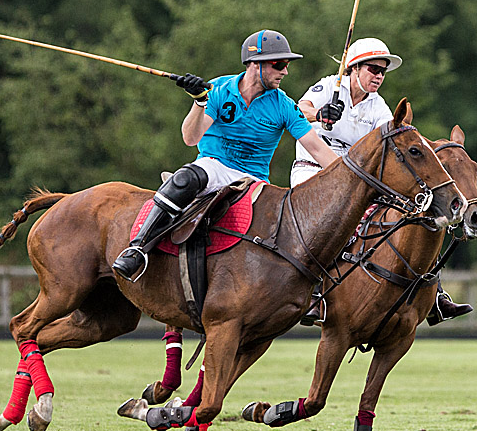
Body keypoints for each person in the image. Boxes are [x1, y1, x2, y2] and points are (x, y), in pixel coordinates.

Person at [112, 29, 340, 280]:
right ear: (255, 64)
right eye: (279, 64)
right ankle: (138, 248)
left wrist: (349, 178)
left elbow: (317, 148)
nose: (285, 71)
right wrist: (199, 102)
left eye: (286, 65)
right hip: (215, 165)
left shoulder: (284, 105)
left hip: (253, 180)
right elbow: (191, 138)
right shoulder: (219, 89)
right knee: (184, 178)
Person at [290, 37, 473, 326]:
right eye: (373, 69)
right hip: (313, 169)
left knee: (412, 213)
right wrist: (321, 114)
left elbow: (398, 136)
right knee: (328, 224)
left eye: (382, 71)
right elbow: (300, 108)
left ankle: (434, 292)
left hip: (356, 179)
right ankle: (315, 294)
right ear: (354, 68)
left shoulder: (378, 107)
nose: (378, 76)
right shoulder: (330, 86)